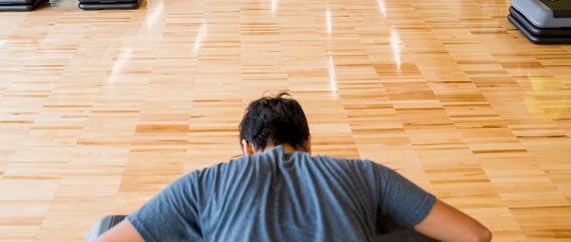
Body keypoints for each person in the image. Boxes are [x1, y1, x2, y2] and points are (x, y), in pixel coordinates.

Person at [86, 93, 493, 242]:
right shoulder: (366, 174)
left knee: (103, 227)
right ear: (309, 145)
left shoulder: (205, 184)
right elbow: (476, 235)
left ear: (245, 149)